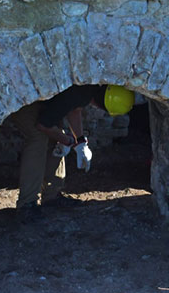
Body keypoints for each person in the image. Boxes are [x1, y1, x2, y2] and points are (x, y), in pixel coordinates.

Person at [11, 84, 135, 222]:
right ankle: (27, 205)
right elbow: (43, 125)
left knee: (55, 135)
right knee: (38, 138)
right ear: (103, 104)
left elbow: (74, 109)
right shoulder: (82, 92)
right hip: (24, 100)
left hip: (42, 101)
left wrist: (80, 142)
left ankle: (52, 196)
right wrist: (69, 141)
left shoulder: (88, 88)